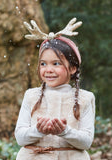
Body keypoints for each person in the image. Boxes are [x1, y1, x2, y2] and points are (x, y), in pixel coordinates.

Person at [15, 18, 95, 160]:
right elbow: (20, 138)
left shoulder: (85, 99)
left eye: (56, 63)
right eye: (43, 64)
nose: (48, 70)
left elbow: (86, 142)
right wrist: (38, 131)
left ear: (72, 68)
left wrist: (65, 131)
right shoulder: (31, 96)